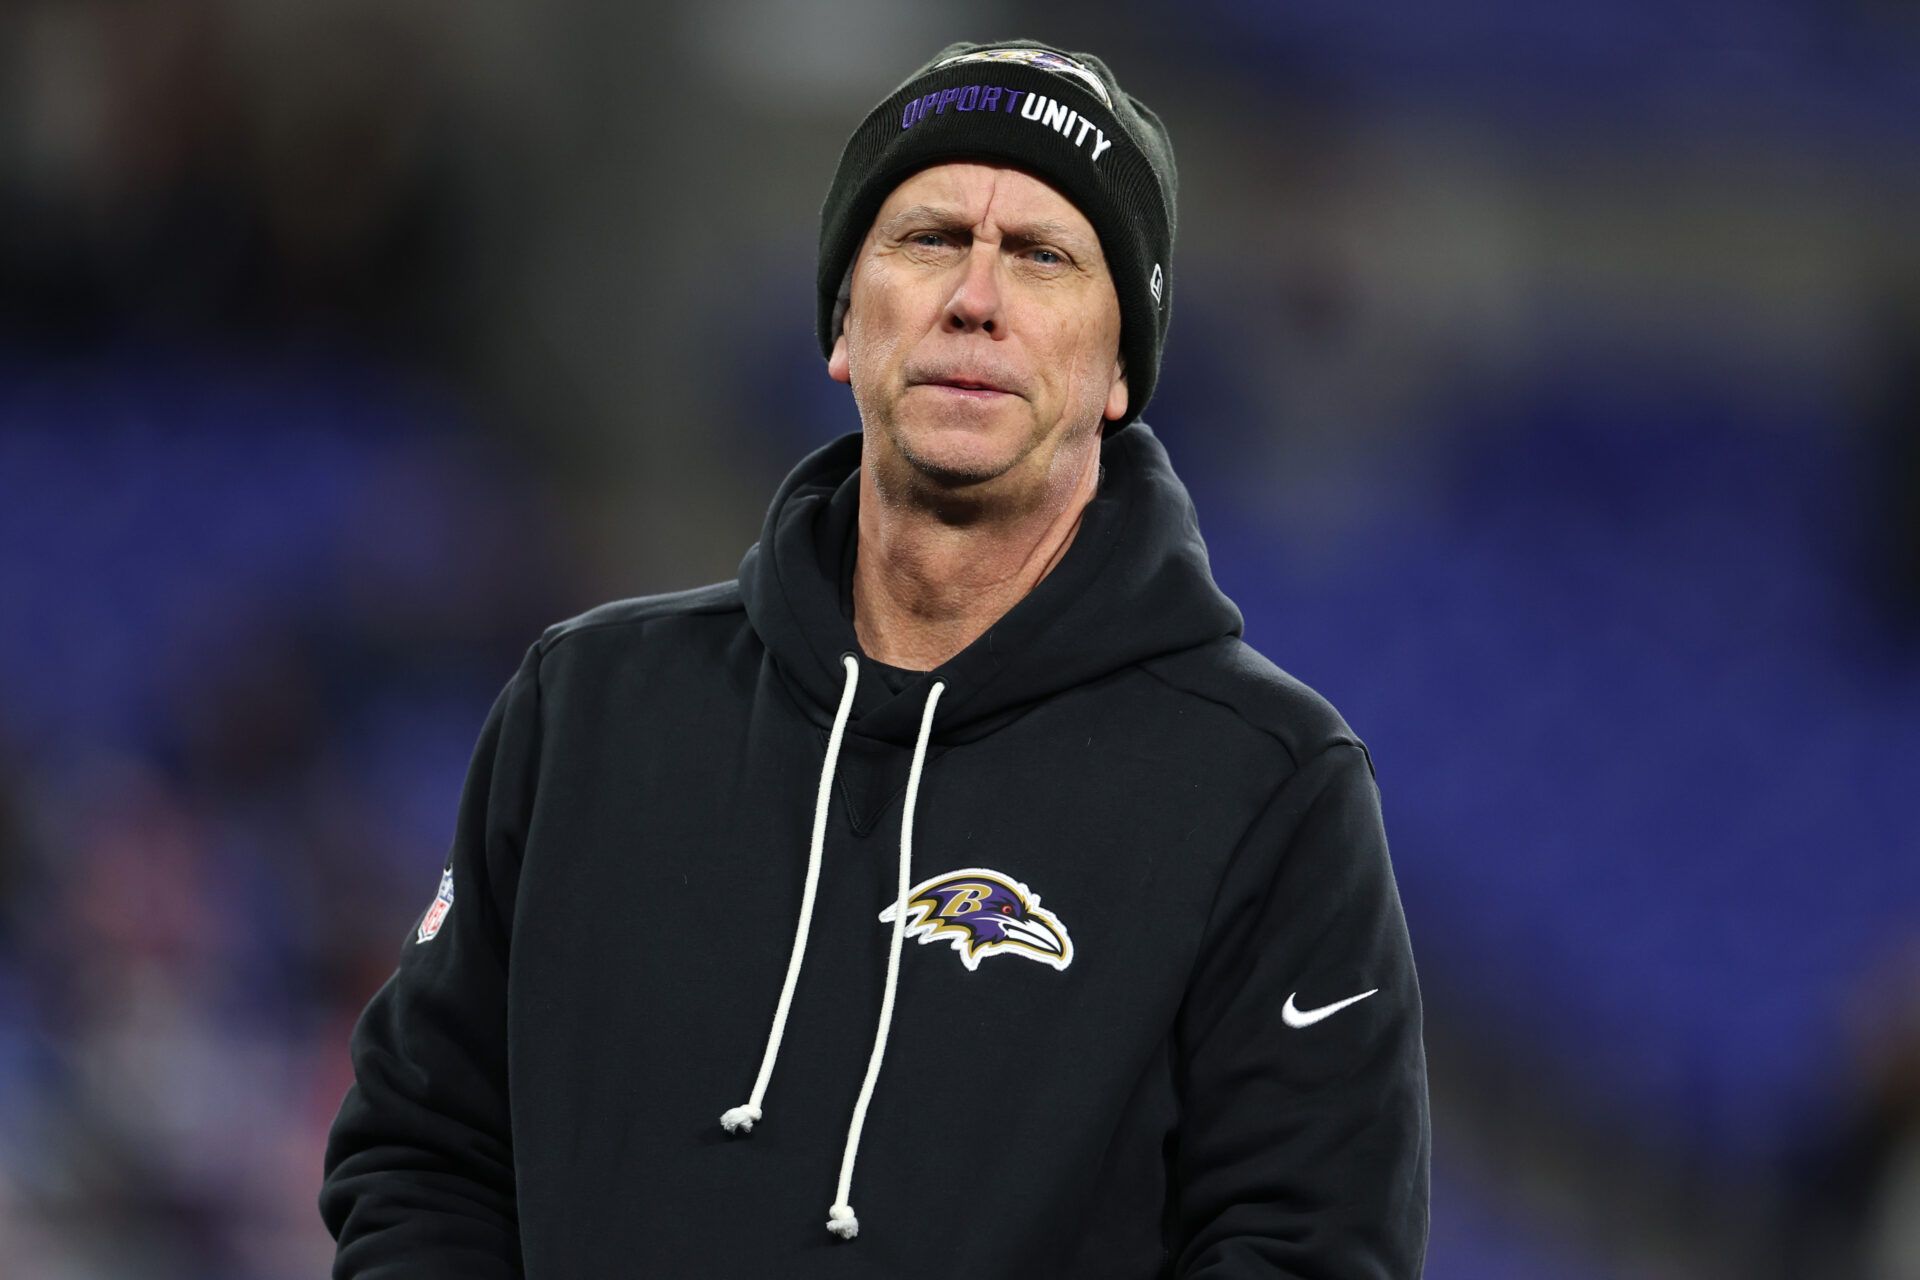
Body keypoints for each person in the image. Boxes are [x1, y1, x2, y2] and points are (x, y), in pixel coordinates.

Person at [319, 38, 1430, 1278]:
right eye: (928, 239)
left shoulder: (1266, 785)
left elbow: (1309, 1245)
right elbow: (423, 1155)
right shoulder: (586, 709)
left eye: (1045, 256)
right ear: (844, 325)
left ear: (1122, 368)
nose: (976, 296)